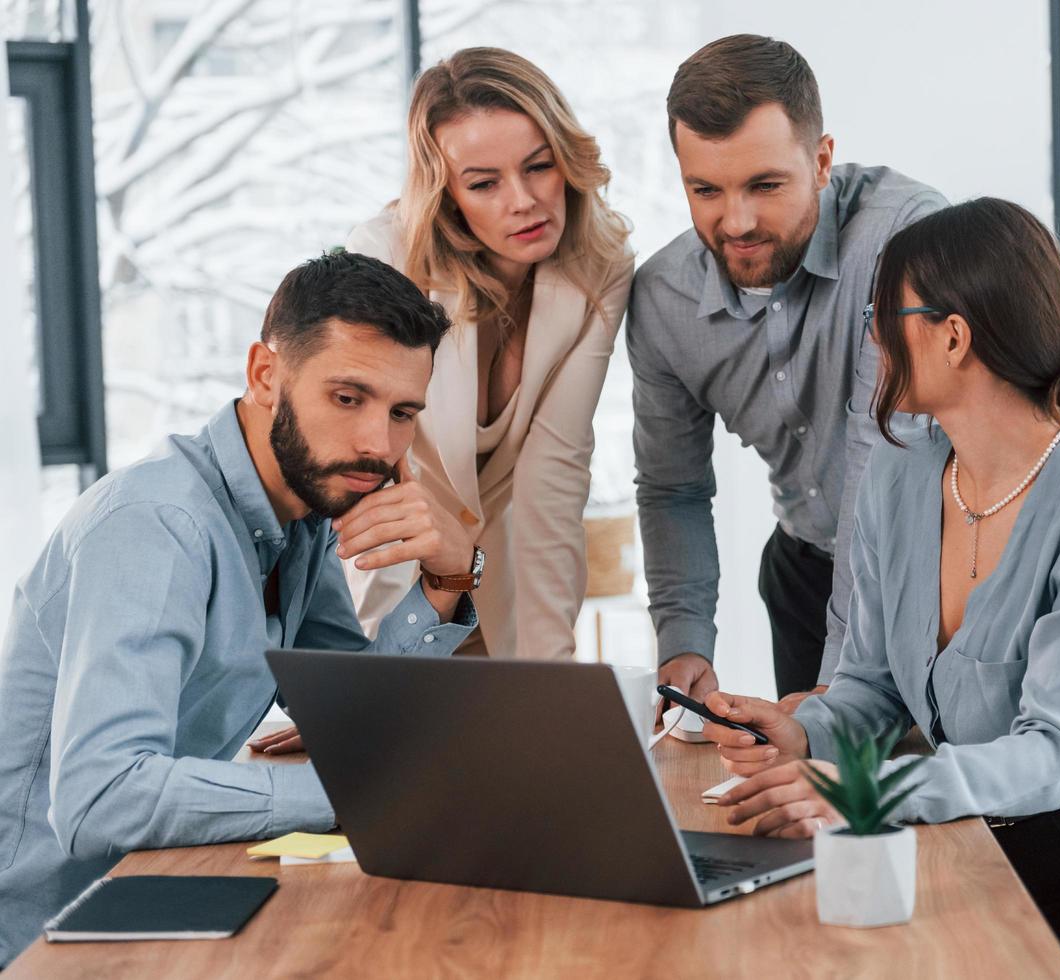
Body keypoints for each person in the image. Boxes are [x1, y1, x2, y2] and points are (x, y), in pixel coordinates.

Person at [699, 200, 1060, 977]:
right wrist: (800, 734)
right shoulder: (898, 480)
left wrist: (871, 792)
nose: (871, 335)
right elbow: (872, 688)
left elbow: (1056, 752)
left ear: (953, 335)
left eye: (881, 313)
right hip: (992, 855)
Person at [0, 252, 481, 965]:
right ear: (265, 375)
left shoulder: (301, 518)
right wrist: (364, 794)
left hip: (154, 893)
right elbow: (101, 797)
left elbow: (349, 718)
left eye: (401, 412)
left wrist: (443, 582)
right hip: (41, 935)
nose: (379, 445)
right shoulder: (158, 524)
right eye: (348, 398)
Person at [629, 34, 946, 705]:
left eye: (764, 185)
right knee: (814, 804)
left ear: (823, 159)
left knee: (946, 800)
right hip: (804, 575)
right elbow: (672, 487)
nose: (735, 221)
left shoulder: (905, 240)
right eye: (705, 190)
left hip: (938, 574)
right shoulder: (663, 299)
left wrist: (839, 687)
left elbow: (880, 462)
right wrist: (683, 641)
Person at [344, 47, 634, 660]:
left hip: (503, 573)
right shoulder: (386, 259)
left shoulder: (602, 267)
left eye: (539, 166)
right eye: (484, 183)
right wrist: (374, 673)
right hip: (388, 568)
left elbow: (553, 472)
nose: (524, 200)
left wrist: (551, 673)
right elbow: (370, 473)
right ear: (448, 194)